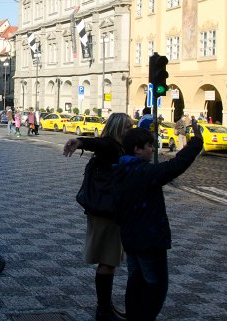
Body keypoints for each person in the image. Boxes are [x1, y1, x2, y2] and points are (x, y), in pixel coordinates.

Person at [112, 119, 204, 321]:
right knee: (156, 285)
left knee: (135, 280)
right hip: (149, 239)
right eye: (149, 146)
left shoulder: (120, 170)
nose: (153, 149)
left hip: (130, 237)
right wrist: (196, 141)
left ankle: (134, 316)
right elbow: (175, 166)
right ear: (137, 149)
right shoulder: (143, 172)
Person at [63, 113, 135, 321]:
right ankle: (104, 310)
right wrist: (80, 141)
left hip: (106, 211)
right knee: (107, 259)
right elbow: (100, 144)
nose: (130, 130)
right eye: (127, 127)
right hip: (106, 213)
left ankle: (106, 307)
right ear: (117, 128)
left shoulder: (119, 147)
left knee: (109, 259)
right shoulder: (111, 145)